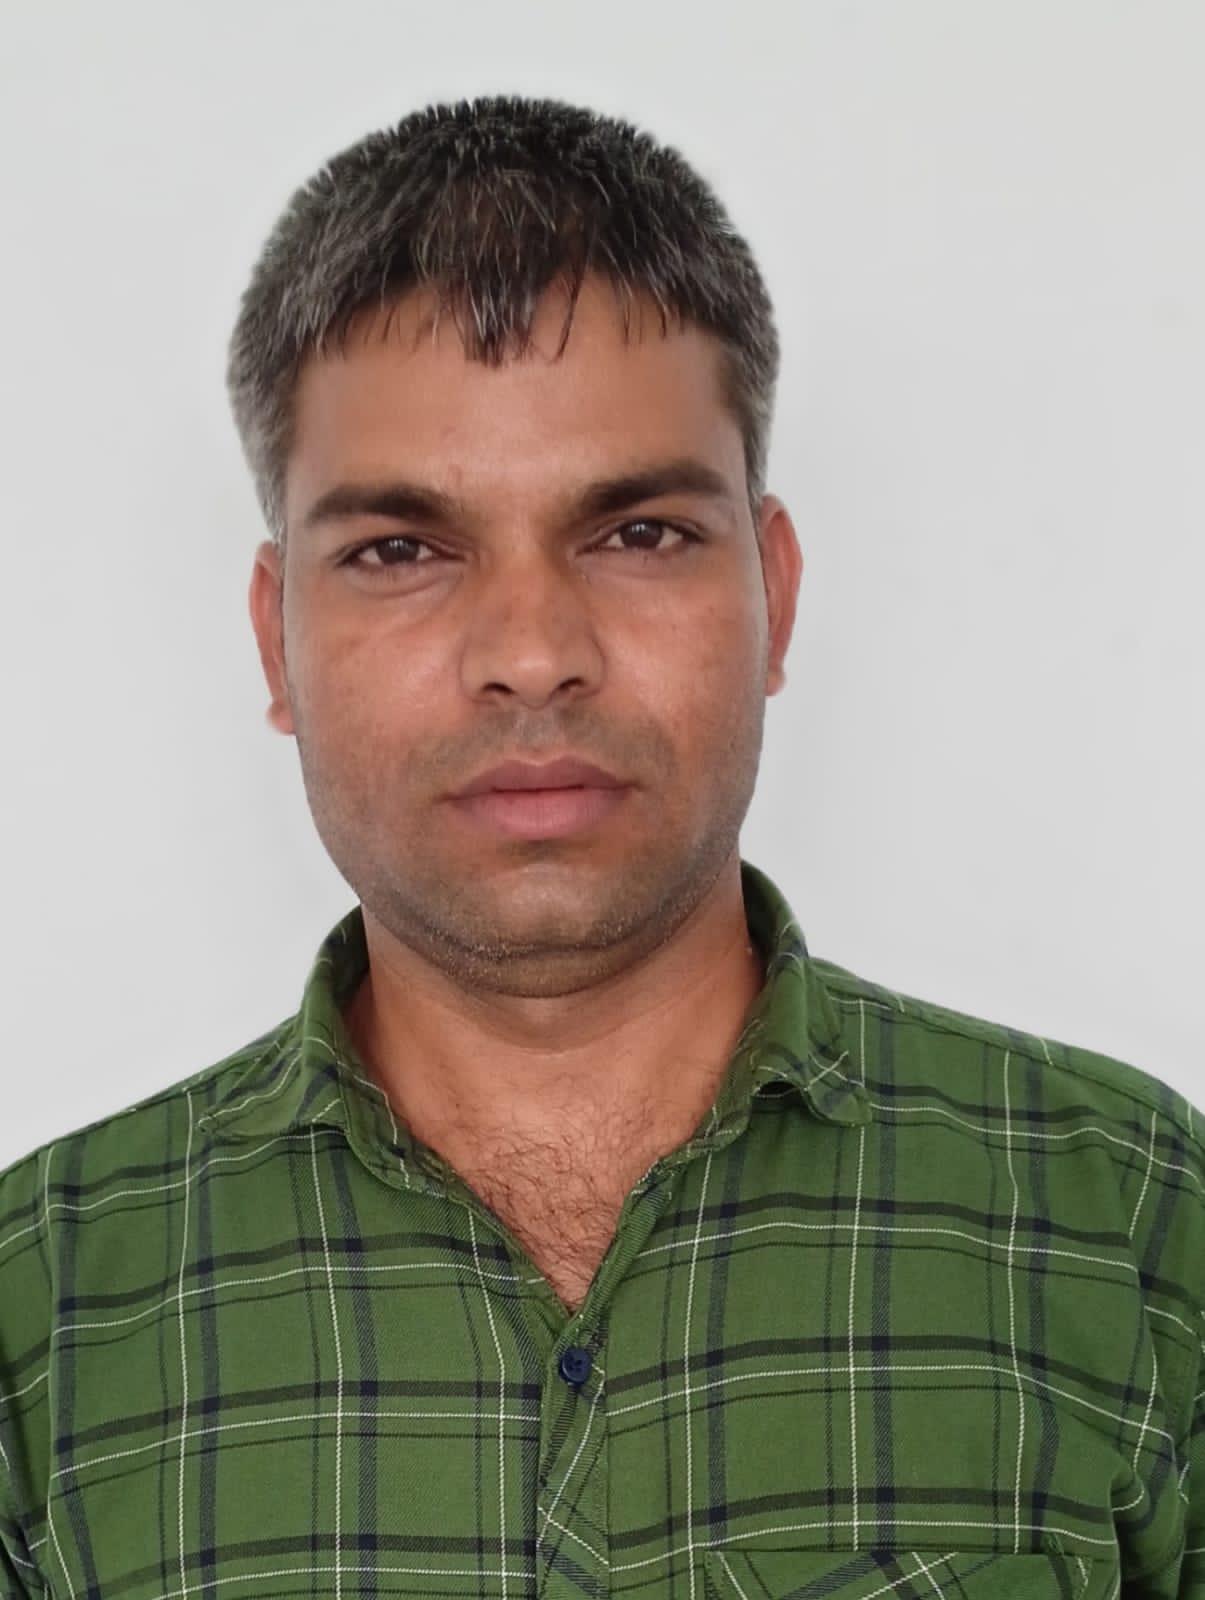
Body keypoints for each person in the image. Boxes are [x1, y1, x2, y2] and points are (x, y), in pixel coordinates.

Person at [0, 94, 1200, 1600]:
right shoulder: (37, 1320)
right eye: (398, 550)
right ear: (274, 636)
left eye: (637, 533)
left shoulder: (1131, 1223)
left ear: (772, 594)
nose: (531, 654)